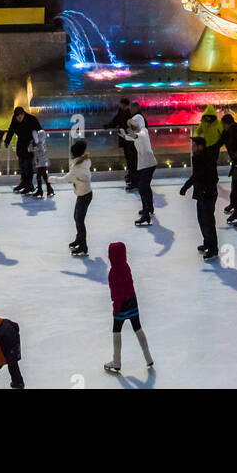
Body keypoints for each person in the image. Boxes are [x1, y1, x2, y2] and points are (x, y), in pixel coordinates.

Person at [103, 241, 155, 374]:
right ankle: (148, 357)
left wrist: (116, 307)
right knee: (138, 328)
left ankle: (117, 361)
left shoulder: (113, 272)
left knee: (116, 331)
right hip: (132, 301)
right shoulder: (126, 266)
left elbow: (116, 292)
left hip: (121, 305)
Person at [181, 134, 219, 258]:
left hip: (207, 194)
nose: (192, 147)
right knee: (202, 220)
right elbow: (196, 176)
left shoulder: (207, 159)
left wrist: (207, 191)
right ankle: (207, 243)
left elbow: (213, 177)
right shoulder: (198, 157)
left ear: (200, 146)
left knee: (208, 221)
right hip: (202, 194)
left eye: (194, 145)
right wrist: (186, 186)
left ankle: (213, 248)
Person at [121, 113, 157, 225]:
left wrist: (133, 135)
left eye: (135, 124)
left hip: (147, 164)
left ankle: (146, 214)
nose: (133, 126)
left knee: (142, 188)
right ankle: (149, 208)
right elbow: (135, 137)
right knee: (145, 187)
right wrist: (125, 136)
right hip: (147, 164)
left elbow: (140, 136)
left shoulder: (143, 131)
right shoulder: (139, 132)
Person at [63, 139, 93, 255]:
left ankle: (83, 245)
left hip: (84, 195)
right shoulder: (82, 162)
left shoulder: (77, 167)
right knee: (77, 217)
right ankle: (79, 239)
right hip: (83, 194)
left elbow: (66, 179)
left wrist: (50, 179)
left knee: (79, 219)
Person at [3, 106, 42, 195]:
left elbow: (40, 131)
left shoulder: (32, 119)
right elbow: (11, 129)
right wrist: (7, 141)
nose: (18, 119)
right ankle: (24, 183)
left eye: (20, 117)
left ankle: (29, 185)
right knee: (21, 164)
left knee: (28, 166)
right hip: (21, 144)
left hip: (30, 144)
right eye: (17, 117)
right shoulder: (15, 119)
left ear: (23, 114)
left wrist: (37, 142)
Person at [104, 97, 136, 192]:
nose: (120, 106)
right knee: (128, 158)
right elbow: (116, 121)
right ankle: (131, 175)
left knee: (131, 159)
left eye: (122, 104)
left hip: (130, 139)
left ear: (125, 105)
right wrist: (108, 126)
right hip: (124, 139)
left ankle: (132, 177)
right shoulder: (121, 112)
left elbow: (131, 126)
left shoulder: (130, 114)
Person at [30, 127, 53, 199]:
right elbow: (33, 150)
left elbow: (40, 153)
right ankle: (49, 189)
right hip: (41, 162)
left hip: (42, 163)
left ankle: (40, 190)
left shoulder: (41, 145)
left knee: (38, 176)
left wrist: (35, 146)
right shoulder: (40, 144)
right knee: (44, 176)